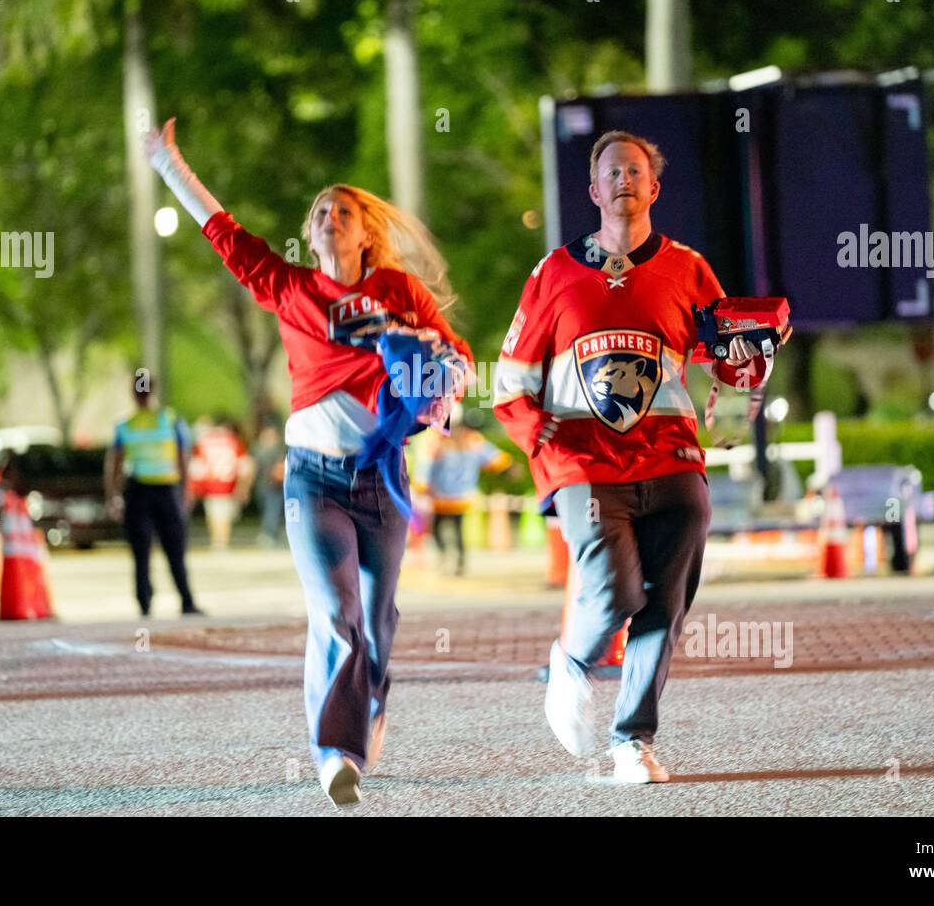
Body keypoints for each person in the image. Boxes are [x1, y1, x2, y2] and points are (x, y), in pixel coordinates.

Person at [144, 118, 473, 806]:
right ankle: (335, 751)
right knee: (336, 611)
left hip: (381, 479)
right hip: (311, 478)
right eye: (320, 212)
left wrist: (441, 383)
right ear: (312, 230)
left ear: (362, 233)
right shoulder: (291, 289)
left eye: (342, 212)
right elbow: (226, 237)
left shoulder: (398, 294)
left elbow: (457, 360)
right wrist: (169, 165)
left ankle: (365, 708)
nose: (329, 219)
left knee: (378, 621)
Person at [493, 130, 771, 784]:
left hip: (672, 460)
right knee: (615, 590)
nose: (624, 180)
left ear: (654, 187)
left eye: (636, 171)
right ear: (593, 191)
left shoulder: (689, 268)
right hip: (584, 464)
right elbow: (509, 384)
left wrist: (754, 353)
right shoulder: (553, 273)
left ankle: (632, 742)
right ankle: (572, 660)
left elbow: (729, 365)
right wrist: (545, 443)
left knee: (663, 606)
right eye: (611, 171)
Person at [104, 373, 206, 619]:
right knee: (174, 550)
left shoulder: (126, 424)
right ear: (153, 389)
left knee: (142, 552)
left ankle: (145, 603)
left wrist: (113, 496)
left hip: (139, 493)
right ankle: (186, 602)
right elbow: (183, 459)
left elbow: (113, 464)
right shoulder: (170, 420)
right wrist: (187, 491)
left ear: (134, 393)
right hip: (165, 491)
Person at [415, 403, 514, 577]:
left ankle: (450, 559)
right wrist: (507, 467)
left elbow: (424, 469)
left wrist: (421, 487)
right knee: (452, 529)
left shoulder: (437, 442)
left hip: (443, 496)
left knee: (440, 529)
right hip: (458, 496)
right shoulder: (470, 440)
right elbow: (494, 458)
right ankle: (454, 561)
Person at [190, 414, 251, 550]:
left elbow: (196, 466)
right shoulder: (232, 440)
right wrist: (243, 486)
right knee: (224, 515)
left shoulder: (204, 441)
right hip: (227, 483)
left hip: (210, 482)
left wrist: (195, 485)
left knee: (213, 513)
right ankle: (222, 542)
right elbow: (244, 464)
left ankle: (216, 541)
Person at [250, 422, 287, 547]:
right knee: (271, 510)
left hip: (271, 485)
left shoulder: (259, 449)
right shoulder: (273, 450)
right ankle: (271, 534)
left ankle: (270, 534)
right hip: (268, 485)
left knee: (271, 510)